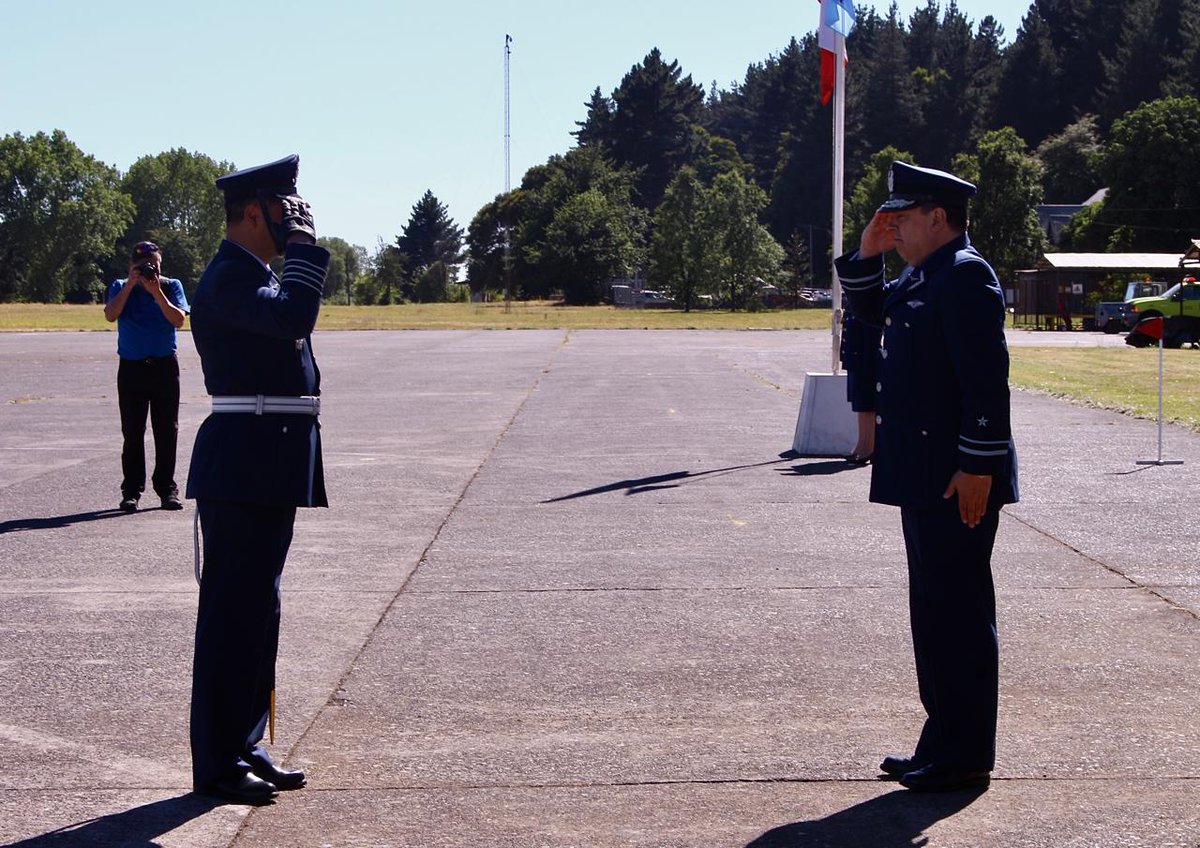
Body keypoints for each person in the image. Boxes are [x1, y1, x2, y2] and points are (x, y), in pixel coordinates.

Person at [836, 161, 1018, 793]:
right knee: (934, 611)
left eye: (903, 217)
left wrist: (978, 467)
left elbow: (986, 382)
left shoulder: (964, 276)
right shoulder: (925, 276)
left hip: (956, 476)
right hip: (925, 473)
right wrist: (866, 252)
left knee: (958, 612)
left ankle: (964, 753)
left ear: (938, 217)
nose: (893, 227)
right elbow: (867, 315)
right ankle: (942, 740)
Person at [186, 154, 330, 805]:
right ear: (253, 212)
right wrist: (305, 248)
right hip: (244, 461)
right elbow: (295, 316)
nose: (293, 218)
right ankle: (216, 762)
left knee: (260, 612)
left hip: (267, 460)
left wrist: (296, 251)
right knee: (230, 616)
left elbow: (291, 315)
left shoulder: (256, 276)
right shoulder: (226, 278)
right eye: (284, 208)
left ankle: (246, 743)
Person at [103, 241, 189, 512]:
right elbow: (110, 315)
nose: (150, 270)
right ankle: (131, 491)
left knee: (167, 430)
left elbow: (178, 320)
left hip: (164, 366)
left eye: (155, 265)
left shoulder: (171, 285)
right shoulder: (119, 286)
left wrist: (157, 293)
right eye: (143, 266)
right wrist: (131, 284)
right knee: (132, 431)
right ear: (132, 266)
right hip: (131, 368)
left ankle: (167, 490)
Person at [839, 311, 880, 465]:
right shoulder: (853, 304)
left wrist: (868, 364)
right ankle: (861, 445)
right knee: (859, 406)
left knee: (867, 406)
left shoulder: (866, 307)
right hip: (855, 360)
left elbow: (872, 338)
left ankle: (868, 447)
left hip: (866, 362)